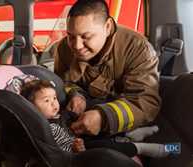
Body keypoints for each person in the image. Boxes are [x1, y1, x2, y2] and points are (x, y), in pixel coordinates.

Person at [54, 0, 161, 137]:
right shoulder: (64, 48)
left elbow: (146, 102)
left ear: (108, 27)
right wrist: (76, 94)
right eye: (71, 36)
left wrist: (103, 117)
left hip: (123, 126)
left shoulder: (137, 48)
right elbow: (64, 82)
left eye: (86, 37)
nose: (77, 46)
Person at [21, 80, 168, 158]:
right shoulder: (48, 128)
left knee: (98, 125)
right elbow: (60, 150)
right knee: (104, 146)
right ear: (31, 108)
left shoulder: (60, 114)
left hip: (81, 136)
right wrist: (77, 148)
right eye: (47, 101)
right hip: (79, 151)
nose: (54, 103)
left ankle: (129, 134)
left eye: (54, 98)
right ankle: (140, 148)